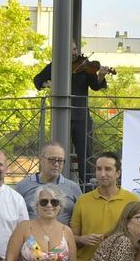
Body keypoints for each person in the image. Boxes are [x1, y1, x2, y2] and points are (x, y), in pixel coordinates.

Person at [33, 42, 110, 182]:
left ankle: (86, 186)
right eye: (71, 51)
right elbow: (37, 80)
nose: (75, 53)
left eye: (75, 49)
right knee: (56, 152)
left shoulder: (86, 66)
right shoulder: (55, 66)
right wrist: (47, 84)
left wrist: (101, 76)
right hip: (61, 117)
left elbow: (96, 86)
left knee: (85, 153)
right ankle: (54, 182)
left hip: (81, 116)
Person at [71, 152, 140, 261]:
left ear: (118, 173)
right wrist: (82, 239)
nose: (102, 174)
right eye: (99, 169)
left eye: (108, 169)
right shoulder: (82, 200)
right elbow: (70, 237)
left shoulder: (132, 200)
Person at [15, 142, 82, 226]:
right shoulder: (23, 186)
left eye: (60, 161)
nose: (56, 164)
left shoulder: (73, 188)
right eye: (52, 159)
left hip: (63, 237)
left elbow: (82, 218)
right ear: (41, 160)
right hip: (31, 237)